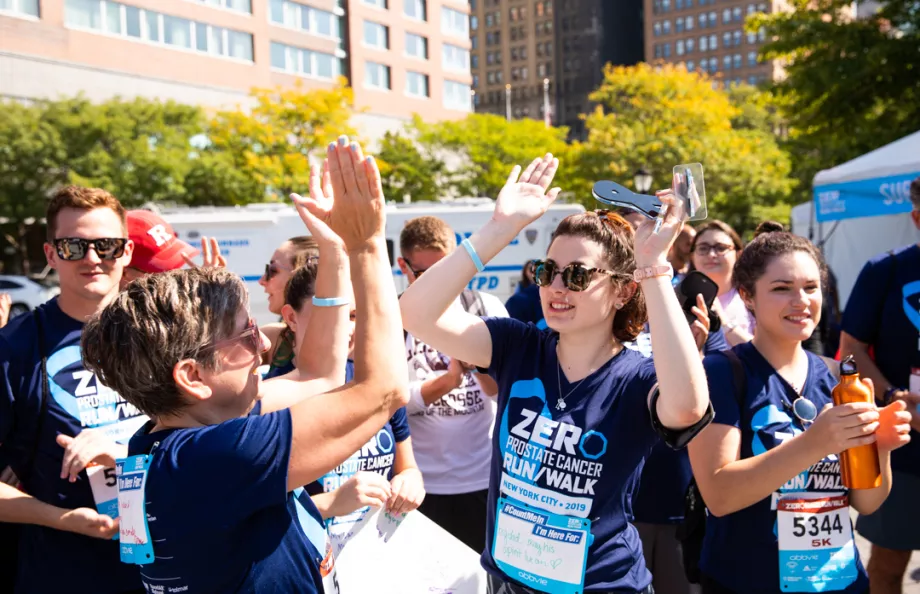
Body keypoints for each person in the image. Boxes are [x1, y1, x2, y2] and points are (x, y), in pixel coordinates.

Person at [79, 138, 408, 592]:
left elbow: (319, 376)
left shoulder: (182, 434)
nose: (263, 346)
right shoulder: (212, 457)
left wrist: (333, 251)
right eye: (246, 335)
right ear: (192, 376)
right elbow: (385, 391)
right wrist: (368, 247)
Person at [400, 154, 712, 593]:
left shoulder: (636, 378)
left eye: (579, 275)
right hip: (509, 582)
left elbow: (688, 407)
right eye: (548, 272)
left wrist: (653, 264)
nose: (557, 287)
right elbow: (415, 312)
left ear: (623, 290)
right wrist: (499, 229)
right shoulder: (517, 345)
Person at [688, 231, 913, 594]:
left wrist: (882, 449)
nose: (801, 301)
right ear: (747, 296)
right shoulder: (721, 372)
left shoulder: (840, 377)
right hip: (748, 580)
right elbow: (719, 494)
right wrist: (815, 442)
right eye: (781, 288)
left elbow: (865, 502)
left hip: (838, 581)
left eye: (811, 287)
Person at [0, 186, 145, 594]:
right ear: (50, 254)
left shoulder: (164, 334)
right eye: (73, 246)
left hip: (170, 567)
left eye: (107, 245)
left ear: (127, 252)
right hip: (64, 572)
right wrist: (59, 517)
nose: (93, 258)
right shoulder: (15, 348)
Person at [398, 215, 507, 553]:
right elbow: (391, 402)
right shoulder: (394, 314)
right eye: (424, 274)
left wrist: (477, 365)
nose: (438, 284)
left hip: (481, 479)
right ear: (403, 266)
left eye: (446, 271)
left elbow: (503, 392)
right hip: (420, 484)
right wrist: (445, 383)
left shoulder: (485, 307)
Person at [839, 176, 920, 594]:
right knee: (887, 568)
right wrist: (894, 399)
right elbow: (851, 347)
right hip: (902, 448)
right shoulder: (885, 270)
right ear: (917, 217)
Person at [259, 235, 320, 378]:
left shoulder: (353, 348)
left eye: (272, 271)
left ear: (302, 275)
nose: (262, 280)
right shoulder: (277, 338)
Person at [689, 220, 753, 346]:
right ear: (692, 256)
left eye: (721, 248)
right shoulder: (674, 297)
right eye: (703, 248)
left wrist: (724, 323)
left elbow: (765, 355)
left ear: (738, 254)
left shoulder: (753, 298)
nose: (712, 254)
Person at [505, 260, 545, 326]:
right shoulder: (516, 297)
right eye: (531, 269)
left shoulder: (546, 292)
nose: (535, 272)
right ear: (525, 272)